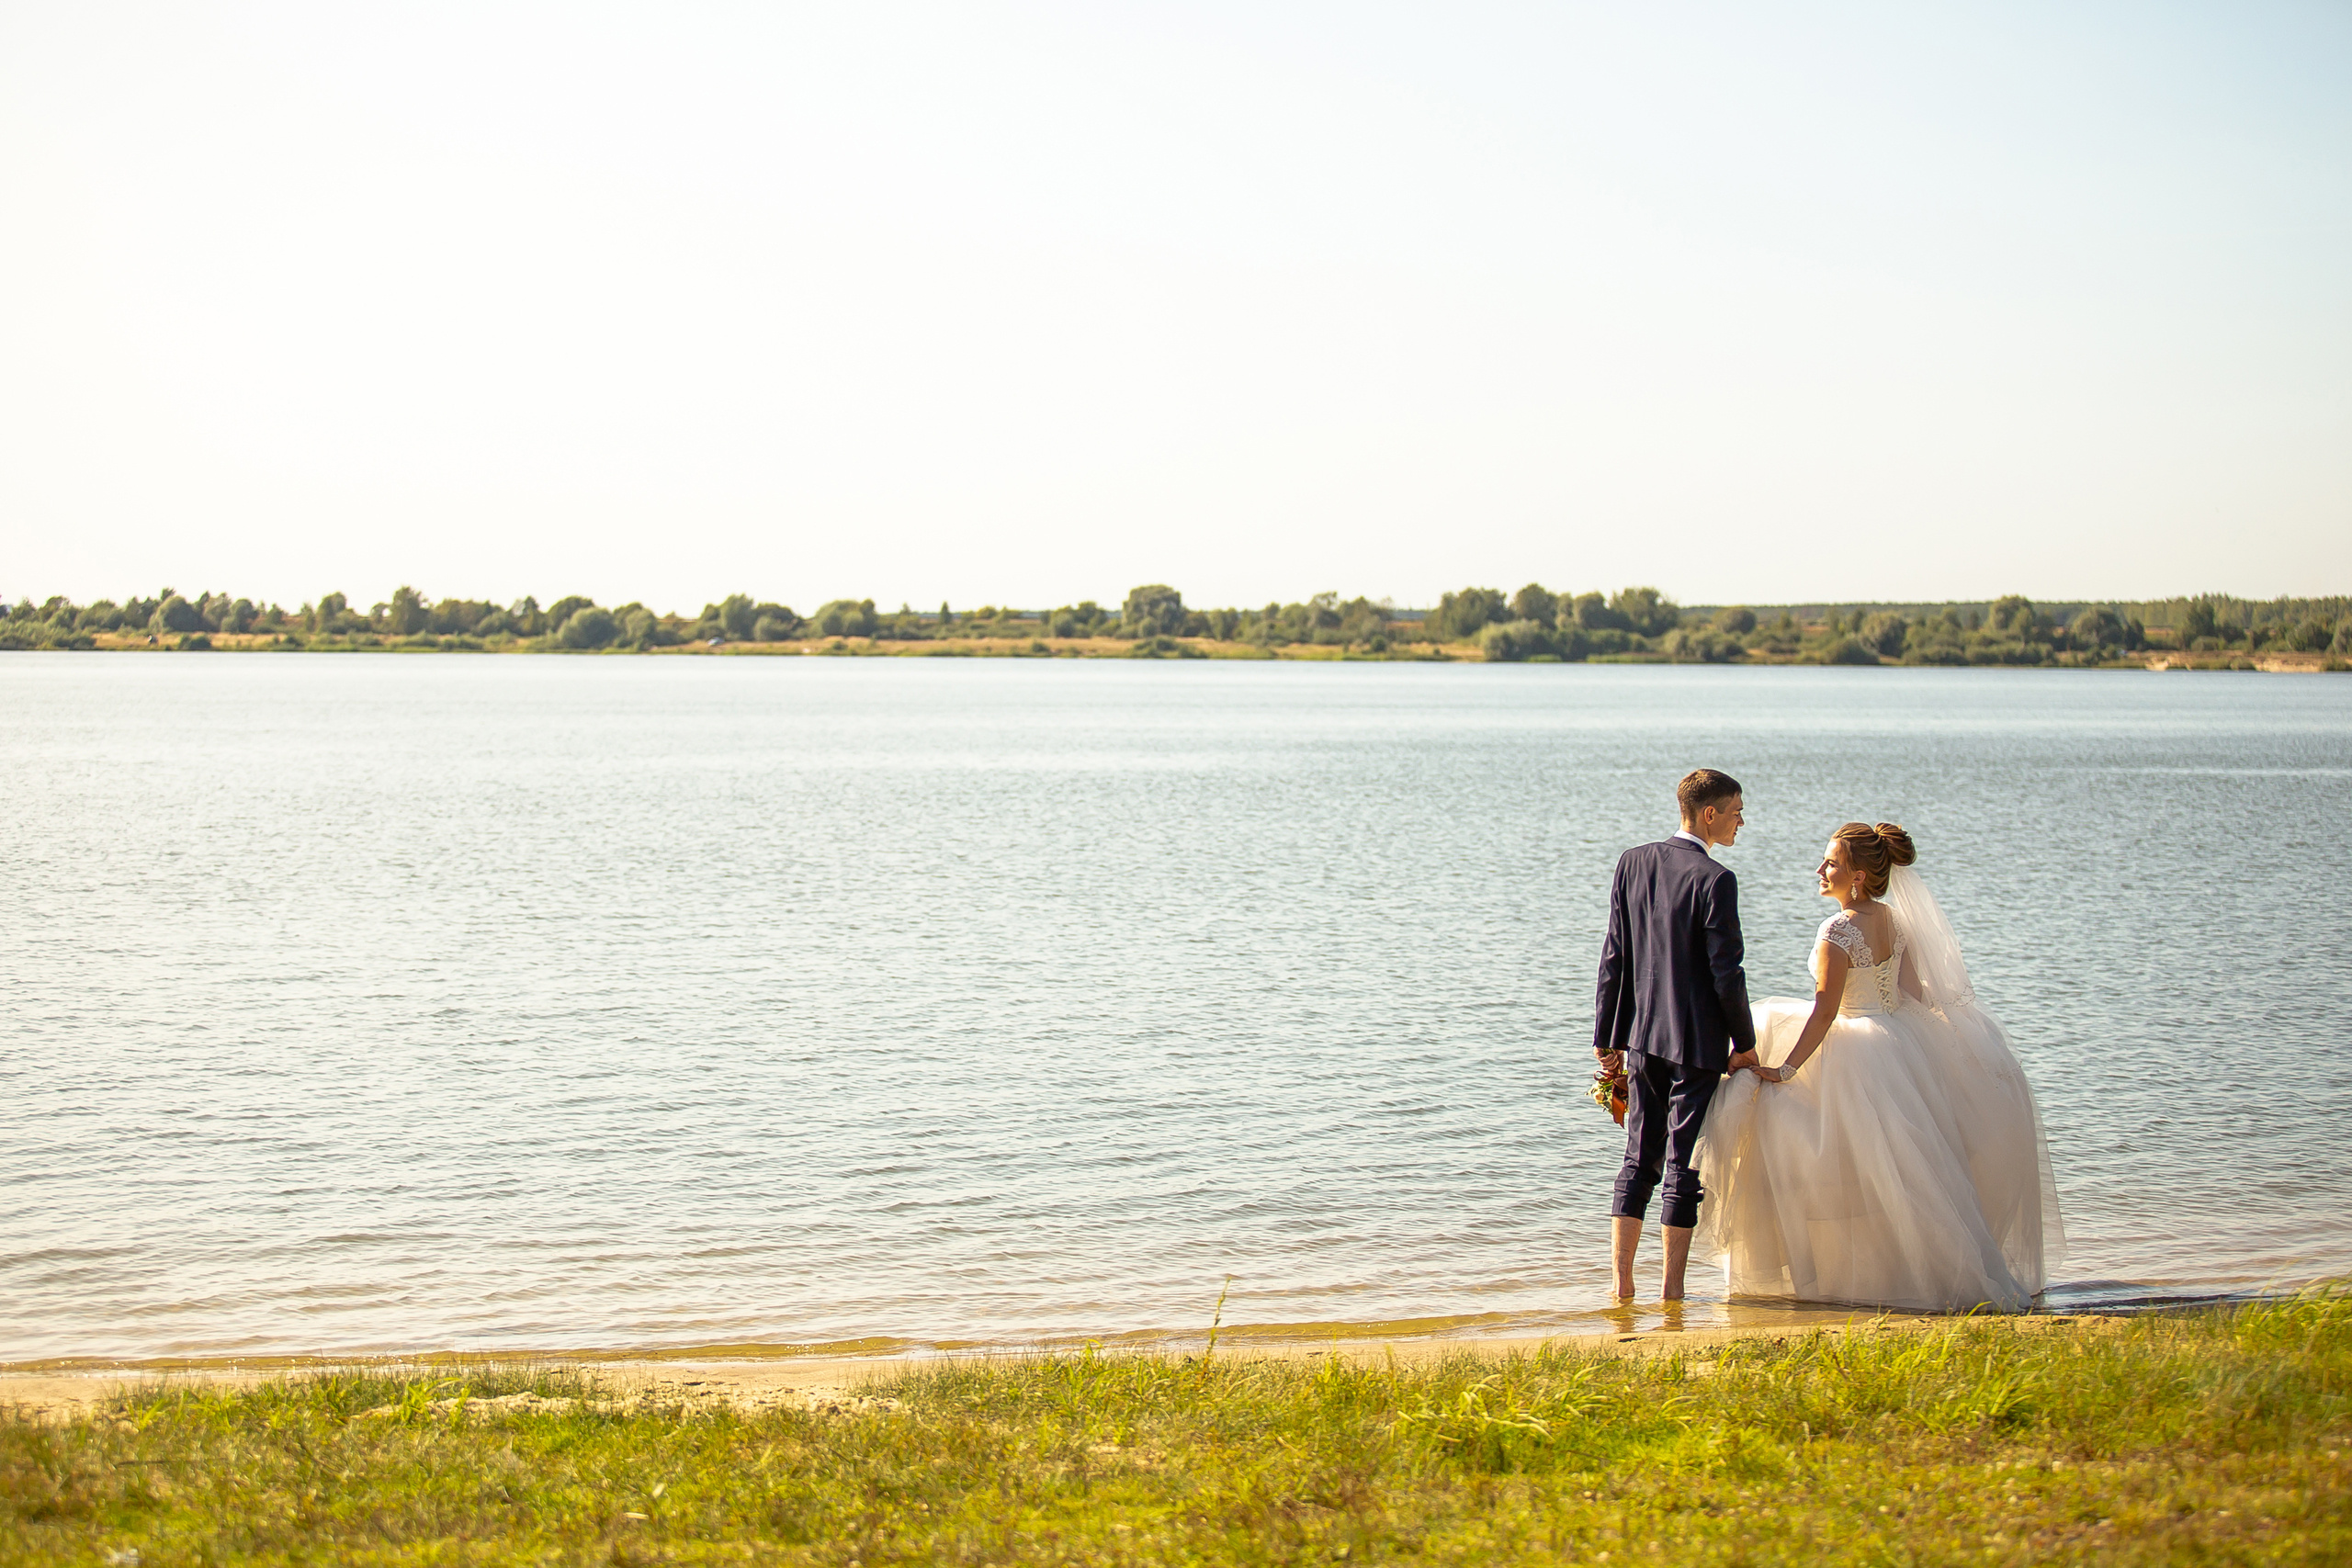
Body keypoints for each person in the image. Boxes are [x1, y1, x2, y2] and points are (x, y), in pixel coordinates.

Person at [1693, 823, 2064, 1311]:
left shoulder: (1837, 930)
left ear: (1860, 876)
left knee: (1801, 1139)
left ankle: (1841, 1276)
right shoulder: (1893, 920)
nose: (1820, 870)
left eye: (1831, 864)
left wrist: (1786, 1070)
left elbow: (1826, 1011)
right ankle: (1930, 1272)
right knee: (1909, 1170)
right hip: (1898, 1042)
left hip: (1854, 1046)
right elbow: (1911, 996)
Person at [1591, 768, 1760, 1301]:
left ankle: (1621, 1287)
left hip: (1642, 1038)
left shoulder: (1632, 862)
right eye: (1736, 811)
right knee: (1682, 1163)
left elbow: (1614, 955)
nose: (1740, 822)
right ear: (1708, 813)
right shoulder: (1716, 879)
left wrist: (1607, 1036)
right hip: (1697, 1045)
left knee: (1638, 1158)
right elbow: (1726, 974)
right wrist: (1745, 1044)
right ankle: (1671, 1293)